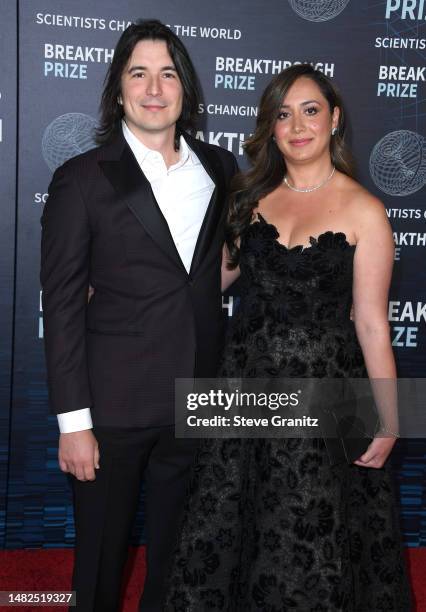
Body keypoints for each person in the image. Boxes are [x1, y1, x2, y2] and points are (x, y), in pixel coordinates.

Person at [164, 65, 412, 610]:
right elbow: (206, 285)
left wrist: (392, 420)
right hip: (245, 388)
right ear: (270, 128)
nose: (297, 125)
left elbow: (371, 323)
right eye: (283, 114)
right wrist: (125, 283)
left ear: (335, 119)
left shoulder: (366, 211)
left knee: (305, 540)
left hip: (325, 398)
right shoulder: (249, 200)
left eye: (310, 110)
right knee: (229, 526)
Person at [40, 19, 237, 612]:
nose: (155, 88)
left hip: (196, 401)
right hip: (112, 407)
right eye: (139, 73)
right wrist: (73, 422)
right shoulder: (81, 179)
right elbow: (64, 305)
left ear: (186, 88)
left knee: (179, 560)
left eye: (168, 73)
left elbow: (216, 270)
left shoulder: (221, 170)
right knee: (100, 565)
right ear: (118, 90)